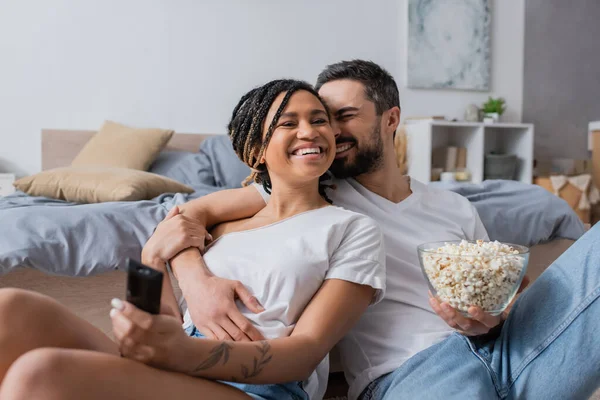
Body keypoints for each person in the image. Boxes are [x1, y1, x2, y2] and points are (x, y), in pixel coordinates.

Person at [144, 60, 600, 400]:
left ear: (391, 119)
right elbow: (187, 216)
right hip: (411, 374)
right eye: (321, 117)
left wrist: (494, 313)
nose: (326, 132)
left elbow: (490, 293)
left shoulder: (456, 206)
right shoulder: (314, 197)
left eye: (340, 116)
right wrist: (197, 283)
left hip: (510, 350)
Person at [0, 79, 386, 400]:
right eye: (288, 123)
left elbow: (304, 353)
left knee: (42, 373)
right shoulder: (225, 220)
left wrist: (182, 351)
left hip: (257, 389)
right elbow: (169, 321)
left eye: (318, 120)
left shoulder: (351, 229)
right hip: (177, 366)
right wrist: (152, 259)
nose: (310, 131)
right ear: (256, 152)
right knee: (11, 308)